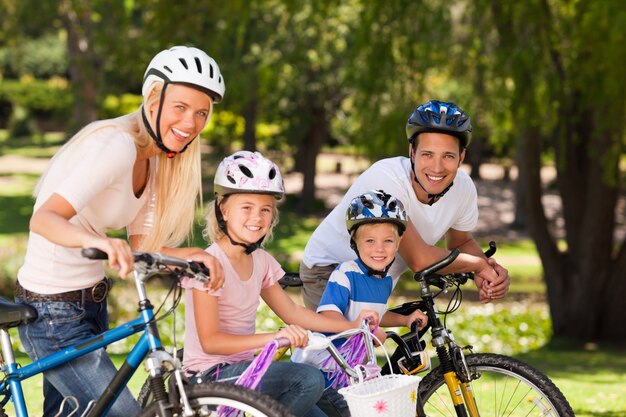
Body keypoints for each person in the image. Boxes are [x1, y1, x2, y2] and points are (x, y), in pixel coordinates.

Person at [14, 46, 226, 417]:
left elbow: (145, 245)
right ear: (153, 97)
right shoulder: (116, 146)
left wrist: (196, 257)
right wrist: (96, 241)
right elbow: (44, 219)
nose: (191, 123)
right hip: (51, 311)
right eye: (180, 107)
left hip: (90, 304)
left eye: (201, 113)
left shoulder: (155, 158)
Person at [181, 151, 379, 417]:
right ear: (223, 209)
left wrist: (352, 326)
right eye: (247, 207)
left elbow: (294, 313)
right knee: (307, 380)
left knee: (325, 408)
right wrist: (274, 338)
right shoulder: (209, 264)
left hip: (246, 371)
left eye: (265, 209)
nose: (257, 217)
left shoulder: (260, 261)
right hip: (209, 377)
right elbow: (211, 342)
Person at [301, 99, 510, 310]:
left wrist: (489, 273)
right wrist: (478, 265)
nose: (437, 168)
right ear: (412, 152)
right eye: (427, 154)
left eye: (448, 156)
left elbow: (461, 242)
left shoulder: (464, 189)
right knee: (344, 341)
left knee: (384, 340)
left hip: (378, 278)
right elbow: (420, 260)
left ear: (461, 157)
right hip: (329, 271)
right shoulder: (385, 180)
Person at [293, 190, 429, 417]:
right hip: (324, 369)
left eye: (388, 241)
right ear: (355, 242)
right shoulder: (345, 273)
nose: (379, 248)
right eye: (370, 241)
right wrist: (362, 330)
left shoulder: (384, 281)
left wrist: (405, 320)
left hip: (351, 373)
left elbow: (377, 314)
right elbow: (328, 317)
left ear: (399, 243)